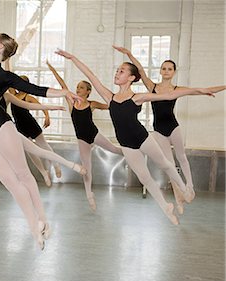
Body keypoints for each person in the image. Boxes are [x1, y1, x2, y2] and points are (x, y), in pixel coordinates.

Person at [0, 0, 81, 249]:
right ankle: (36, 225)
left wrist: (65, 92)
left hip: (2, 128)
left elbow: (37, 89)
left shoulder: (4, 76)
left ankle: (41, 221)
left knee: (22, 175)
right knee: (11, 183)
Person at [55, 48, 224, 225]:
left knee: (165, 163)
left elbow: (171, 94)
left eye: (121, 71)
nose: (117, 72)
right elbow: (90, 75)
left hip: (142, 138)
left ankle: (184, 189)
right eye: (117, 70)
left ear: (131, 77)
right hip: (127, 145)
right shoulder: (109, 97)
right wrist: (73, 58)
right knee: (144, 177)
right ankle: (166, 207)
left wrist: (201, 91)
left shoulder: (137, 97)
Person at [112, 45, 221, 213]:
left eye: (170, 69)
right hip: (159, 130)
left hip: (173, 127)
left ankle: (189, 186)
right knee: (168, 164)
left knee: (181, 157)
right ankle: (179, 199)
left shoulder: (177, 89)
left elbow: (196, 91)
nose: (166, 71)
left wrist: (210, 90)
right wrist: (129, 54)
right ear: (161, 71)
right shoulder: (152, 87)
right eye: (164, 68)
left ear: (174, 72)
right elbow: (140, 69)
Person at [0, 93, 86, 226]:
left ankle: (70, 164)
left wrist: (49, 108)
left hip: (10, 134)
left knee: (39, 150)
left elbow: (27, 104)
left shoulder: (6, 95)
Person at [47, 60, 123, 211]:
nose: (78, 89)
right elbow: (63, 85)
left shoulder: (92, 104)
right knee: (86, 168)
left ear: (88, 91)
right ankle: (89, 195)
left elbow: (110, 106)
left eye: (81, 87)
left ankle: (136, 151)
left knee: (115, 149)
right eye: (77, 87)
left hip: (94, 134)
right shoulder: (71, 102)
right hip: (82, 139)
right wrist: (53, 70)